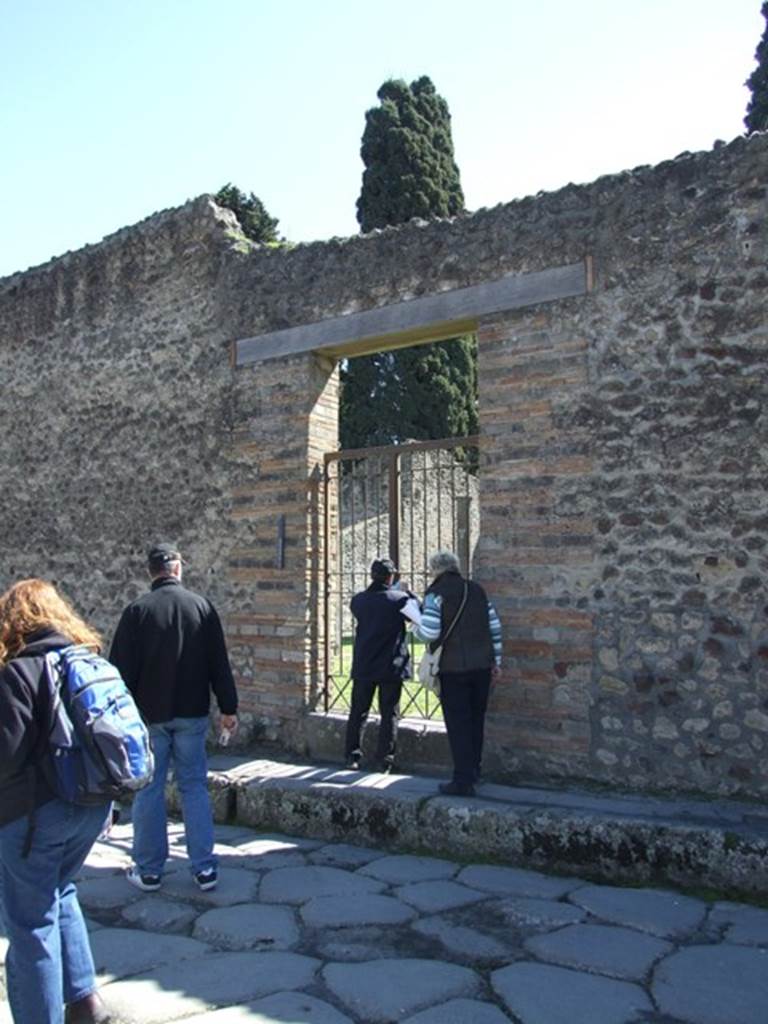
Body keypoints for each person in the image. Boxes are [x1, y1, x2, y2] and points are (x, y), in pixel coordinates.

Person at [0, 579, 112, 1024]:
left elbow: (6, 756)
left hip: (36, 815)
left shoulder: (17, 670)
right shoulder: (83, 658)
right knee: (60, 891)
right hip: (92, 805)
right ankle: (85, 1002)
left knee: (30, 924)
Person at [110, 543, 238, 893]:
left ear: (151, 572)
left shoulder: (136, 612)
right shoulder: (201, 607)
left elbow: (120, 673)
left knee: (149, 790)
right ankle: (204, 868)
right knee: (194, 786)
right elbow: (219, 664)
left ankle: (149, 870)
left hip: (148, 717)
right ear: (178, 568)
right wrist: (229, 708)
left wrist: (120, 717)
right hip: (192, 713)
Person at [415, 550, 502, 796]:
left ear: (435, 570)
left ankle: (462, 780)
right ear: (456, 567)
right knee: (476, 721)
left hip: (453, 669)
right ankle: (474, 771)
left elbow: (430, 632)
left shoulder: (435, 594)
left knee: (458, 724)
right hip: (482, 667)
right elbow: (494, 626)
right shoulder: (477, 590)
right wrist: (497, 661)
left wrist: (414, 627)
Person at [344, 558, 421, 773]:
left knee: (358, 711)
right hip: (391, 664)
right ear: (391, 577)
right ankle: (384, 760)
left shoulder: (358, 600)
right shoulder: (399, 600)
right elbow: (420, 615)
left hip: (365, 663)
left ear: (371, 575)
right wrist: (410, 593)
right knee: (389, 714)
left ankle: (352, 756)